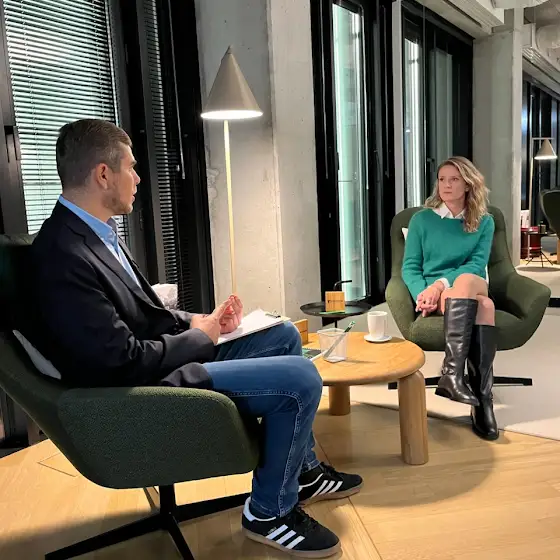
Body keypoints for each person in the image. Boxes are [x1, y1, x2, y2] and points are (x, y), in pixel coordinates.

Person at [24, 119, 363, 558]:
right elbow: (118, 363)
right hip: (139, 389)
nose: (139, 178)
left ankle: (303, 474)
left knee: (281, 334)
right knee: (300, 379)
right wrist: (200, 339)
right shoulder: (61, 255)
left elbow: (145, 312)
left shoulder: (95, 232)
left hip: (160, 360)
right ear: (103, 174)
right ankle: (269, 512)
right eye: (131, 167)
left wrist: (200, 321)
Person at [401, 156, 498, 441]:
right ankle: (483, 400)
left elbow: (476, 264)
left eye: (454, 179)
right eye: (442, 179)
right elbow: (410, 267)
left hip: (471, 283)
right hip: (443, 295)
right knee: (486, 306)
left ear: (468, 184)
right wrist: (423, 293)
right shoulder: (421, 220)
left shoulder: (484, 221)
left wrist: (439, 285)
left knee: (466, 280)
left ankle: (451, 375)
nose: (446, 185)